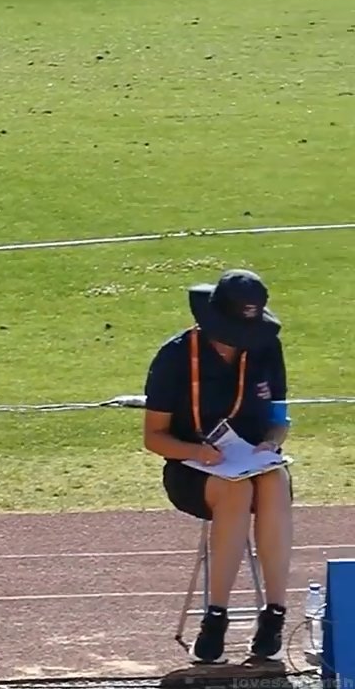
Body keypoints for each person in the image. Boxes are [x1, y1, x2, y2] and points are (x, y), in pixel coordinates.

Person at [141, 269, 294, 664]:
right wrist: (199, 451)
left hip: (253, 461)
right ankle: (215, 618)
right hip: (193, 468)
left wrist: (271, 443)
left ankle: (275, 613)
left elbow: (280, 417)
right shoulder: (175, 356)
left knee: (275, 482)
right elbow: (154, 438)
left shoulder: (265, 347)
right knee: (235, 491)